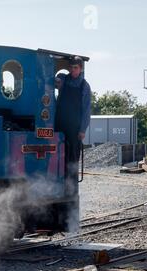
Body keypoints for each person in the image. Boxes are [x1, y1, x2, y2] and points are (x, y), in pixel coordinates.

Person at [55, 56, 91, 197]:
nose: (73, 69)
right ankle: (58, 184)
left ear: (80, 69)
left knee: (73, 158)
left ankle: (72, 189)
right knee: (59, 154)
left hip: (75, 126)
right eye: (71, 67)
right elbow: (57, 79)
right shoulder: (64, 79)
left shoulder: (84, 86)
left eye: (75, 67)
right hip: (60, 122)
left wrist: (83, 129)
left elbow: (86, 109)